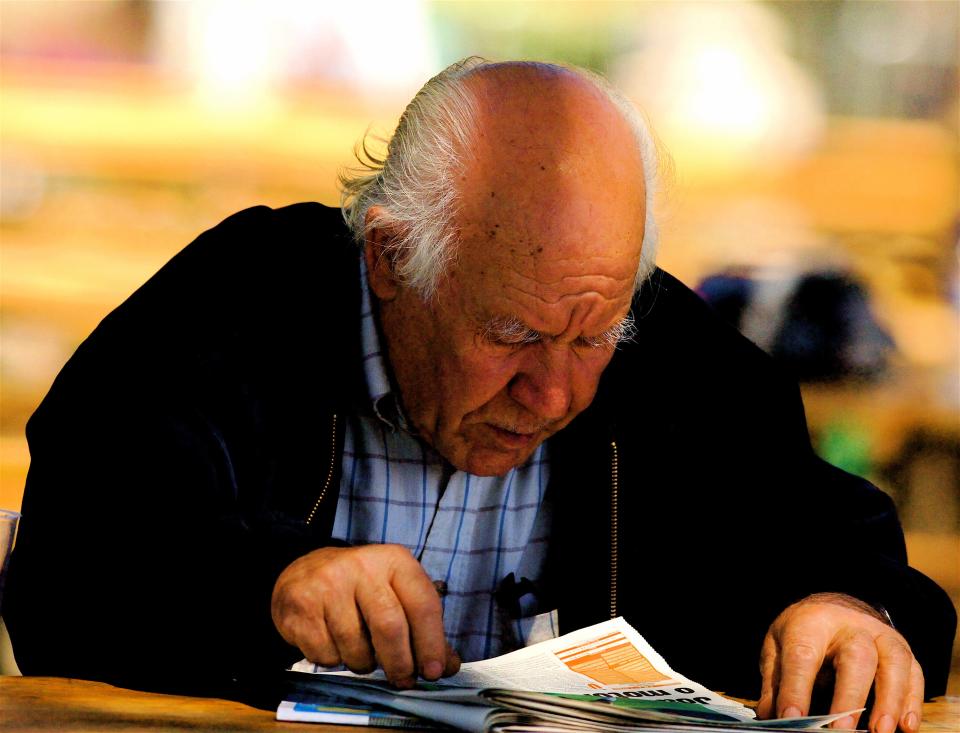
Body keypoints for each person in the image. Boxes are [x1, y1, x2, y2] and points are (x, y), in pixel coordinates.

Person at [4, 59, 954, 733]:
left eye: (594, 337)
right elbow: (65, 568)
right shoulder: (235, 309)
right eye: (513, 337)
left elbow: (840, 535)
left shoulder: (674, 355)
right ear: (389, 257)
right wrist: (268, 583)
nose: (554, 391)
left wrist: (852, 607)